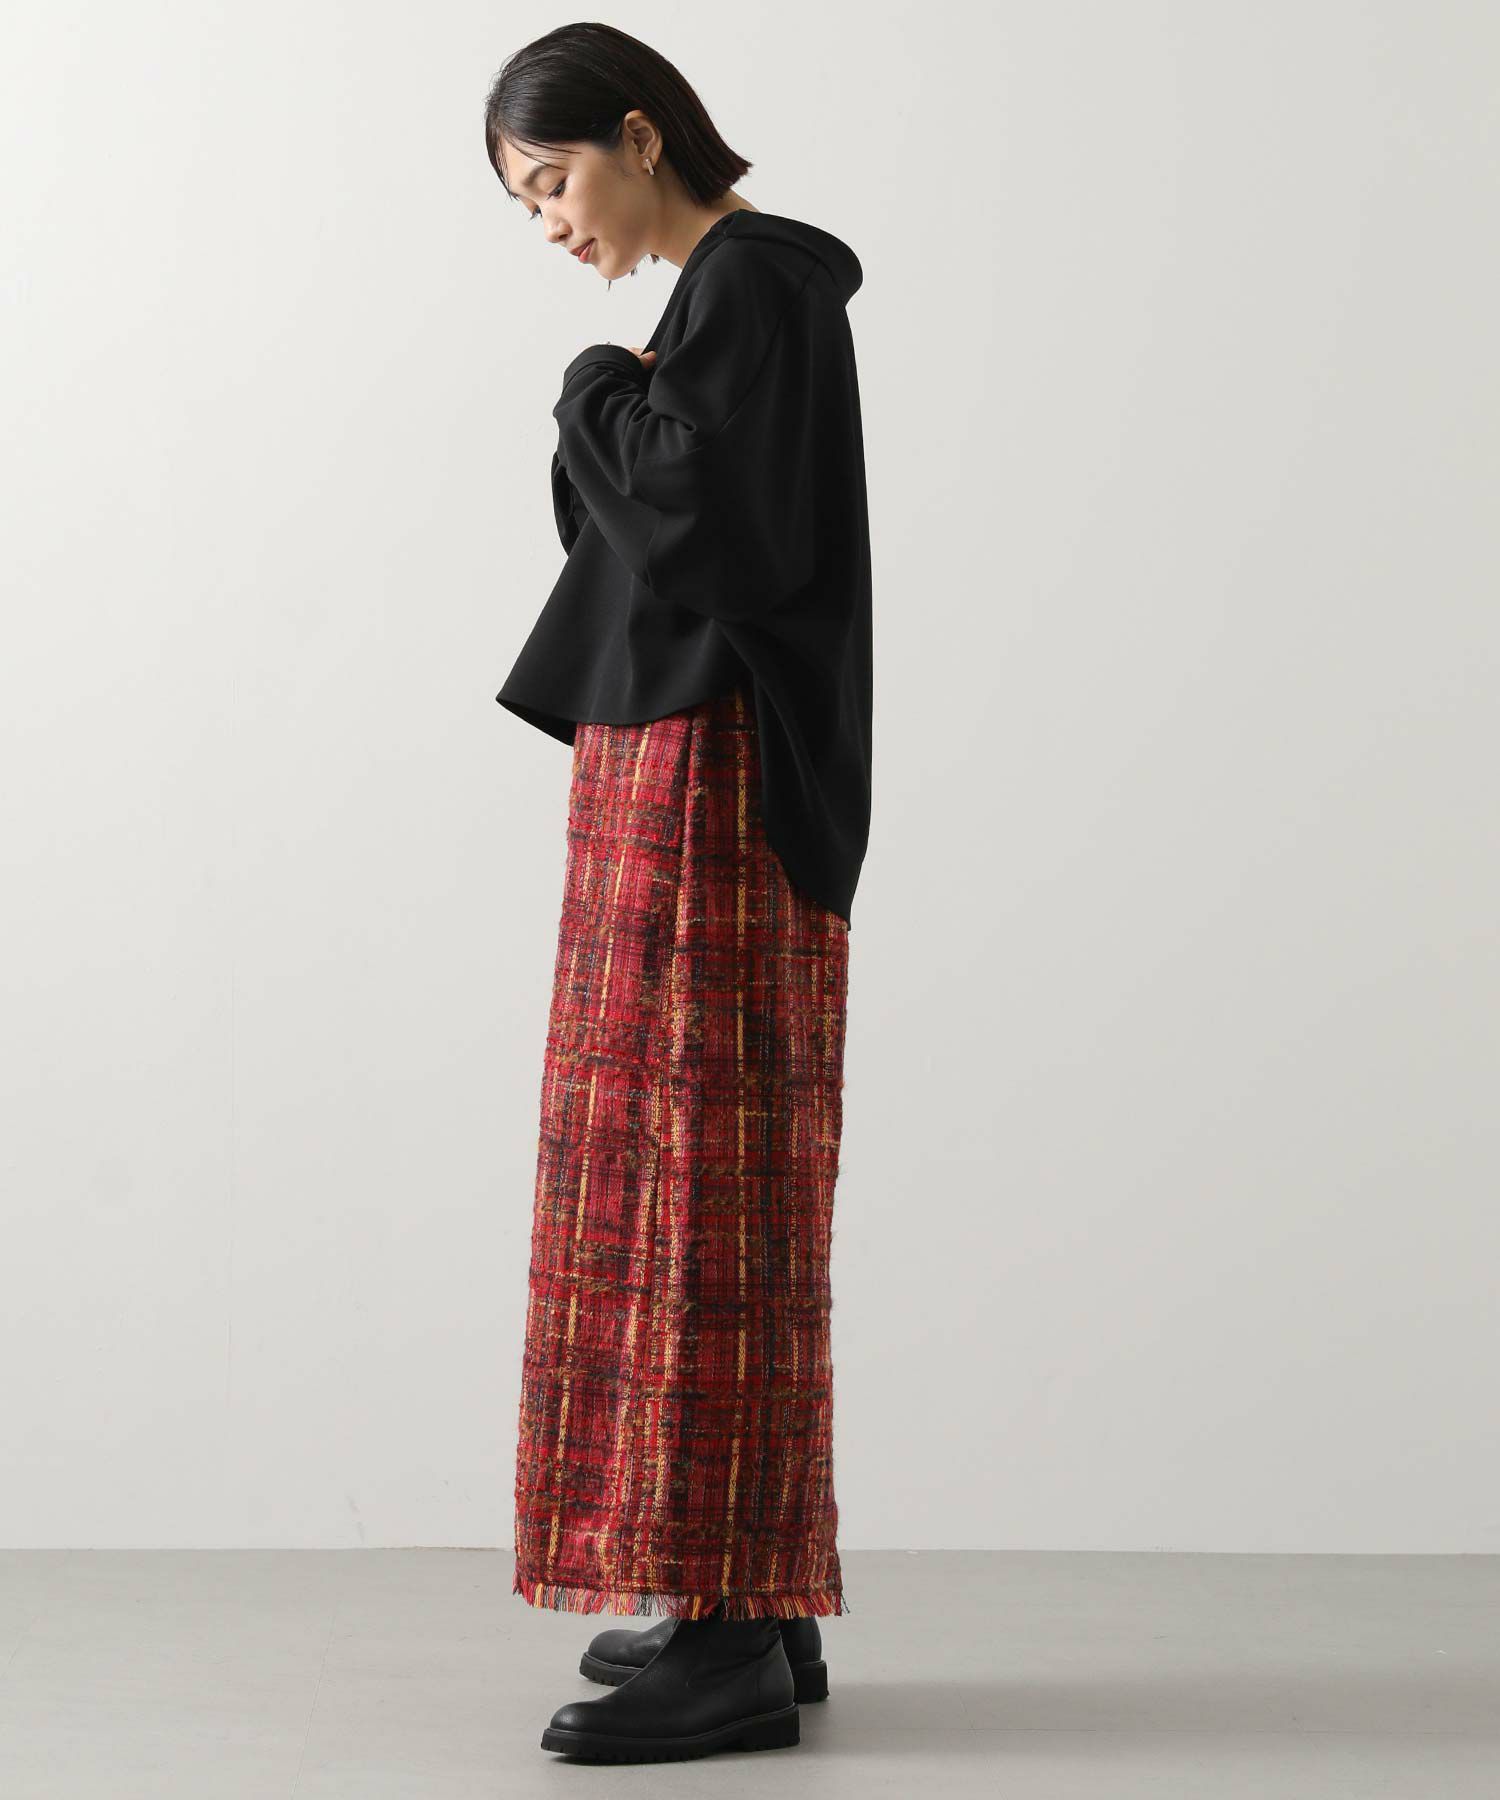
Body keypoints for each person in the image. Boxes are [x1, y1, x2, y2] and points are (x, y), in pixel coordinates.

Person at [483, 21, 873, 1765]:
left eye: (555, 179)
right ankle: (750, 1599)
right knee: (694, 1164)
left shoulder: (751, 287)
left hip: (712, 771)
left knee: (693, 1172)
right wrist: (620, 392)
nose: (553, 222)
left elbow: (703, 521)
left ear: (642, 135)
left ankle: (726, 1635)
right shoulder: (741, 298)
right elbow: (682, 517)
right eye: (527, 205)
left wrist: (590, 383)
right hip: (690, 763)